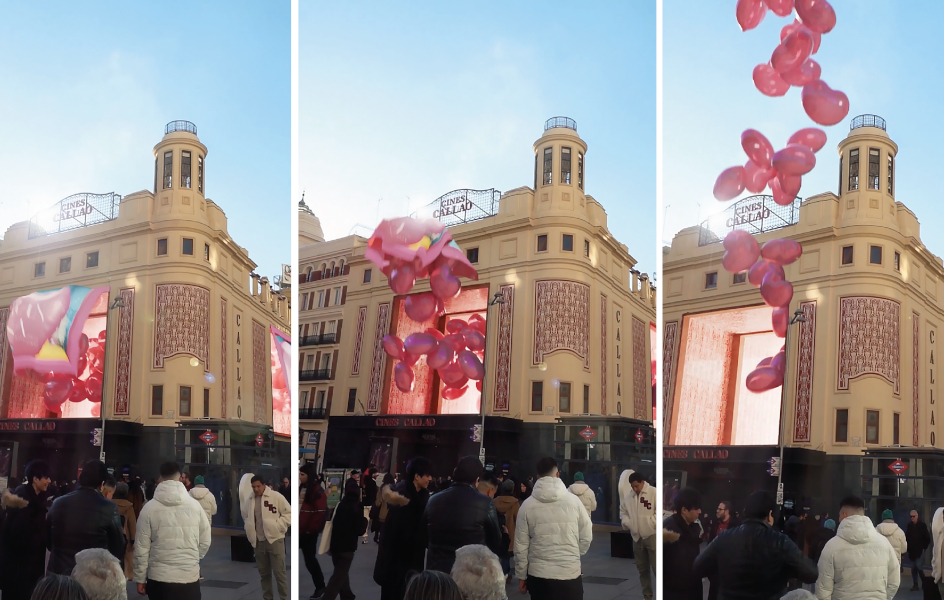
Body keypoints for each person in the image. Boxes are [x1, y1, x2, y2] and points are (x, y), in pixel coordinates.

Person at [693, 490, 817, 599]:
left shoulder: (724, 537)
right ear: (769, 515)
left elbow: (698, 567)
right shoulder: (780, 541)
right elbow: (811, 573)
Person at [514, 457, 592, 600]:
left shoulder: (526, 506)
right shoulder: (574, 502)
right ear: (558, 474)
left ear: (538, 477)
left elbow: (520, 545)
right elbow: (586, 534)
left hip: (538, 576)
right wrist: (574, 553)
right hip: (569, 575)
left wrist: (521, 575)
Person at [133, 462, 210, 600]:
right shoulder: (195, 506)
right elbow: (205, 540)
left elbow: (141, 547)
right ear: (180, 478)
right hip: (189, 578)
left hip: (159, 579)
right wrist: (192, 559)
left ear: (160, 478)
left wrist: (140, 578)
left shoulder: (149, 509)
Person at [424, 456, 503, 574]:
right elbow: (496, 541)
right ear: (477, 480)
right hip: (470, 574)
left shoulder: (433, 500)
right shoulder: (485, 503)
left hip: (438, 573)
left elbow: (424, 537)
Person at [47, 460, 125, 576]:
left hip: (58, 576)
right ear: (102, 484)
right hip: (91, 578)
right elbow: (118, 548)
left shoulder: (58, 503)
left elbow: (49, 542)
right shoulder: (109, 508)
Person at [816, 495, 900, 599]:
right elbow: (894, 581)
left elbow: (823, 589)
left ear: (844, 514)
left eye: (839, 516)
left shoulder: (831, 547)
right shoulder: (884, 543)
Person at [373, 457, 433, 600]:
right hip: (394, 564)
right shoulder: (400, 498)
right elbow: (392, 536)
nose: (430, 479)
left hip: (413, 561)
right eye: (427, 475)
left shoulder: (423, 497)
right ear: (417, 476)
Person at [0, 459, 51, 600]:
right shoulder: (24, 502)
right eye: (46, 477)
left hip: (25, 570)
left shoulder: (34, 499)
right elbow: (17, 538)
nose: (49, 481)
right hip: (19, 572)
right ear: (35, 479)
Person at [243, 475, 292, 600]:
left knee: (280, 574)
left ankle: (284, 598)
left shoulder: (276, 497)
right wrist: (248, 528)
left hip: (275, 540)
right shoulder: (250, 500)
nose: (256, 489)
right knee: (264, 575)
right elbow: (246, 516)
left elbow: (289, 513)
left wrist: (278, 526)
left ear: (264, 485)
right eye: (253, 487)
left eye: (258, 486)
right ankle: (267, 598)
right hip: (258, 542)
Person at [322, 479, 369, 600]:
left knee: (341, 574)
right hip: (347, 548)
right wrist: (364, 521)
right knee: (338, 577)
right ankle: (327, 597)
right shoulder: (357, 507)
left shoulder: (340, 505)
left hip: (335, 546)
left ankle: (348, 596)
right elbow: (359, 530)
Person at [662, 487, 704, 600]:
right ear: (684, 510)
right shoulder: (669, 530)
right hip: (674, 592)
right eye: (696, 508)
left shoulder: (693, 528)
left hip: (691, 588)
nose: (700, 511)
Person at [621, 471, 657, 600]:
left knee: (657, 569)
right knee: (642, 570)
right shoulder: (629, 497)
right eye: (633, 487)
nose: (635, 489)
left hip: (652, 536)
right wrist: (629, 523)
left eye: (637, 486)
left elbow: (659, 513)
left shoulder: (654, 493)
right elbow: (623, 512)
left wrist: (650, 524)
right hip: (636, 538)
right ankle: (647, 596)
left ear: (642, 482)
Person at [299, 463, 328, 599]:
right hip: (299, 531)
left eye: (302, 474)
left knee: (310, 560)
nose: (300, 477)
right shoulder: (301, 489)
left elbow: (320, 513)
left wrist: (310, 530)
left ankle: (320, 586)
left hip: (308, 532)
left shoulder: (317, 490)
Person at [492, 479, 520, 580]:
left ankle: (503, 573)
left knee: (498, 554)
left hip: (496, 531)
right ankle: (505, 574)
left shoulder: (495, 501)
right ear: (512, 489)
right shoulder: (515, 503)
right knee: (506, 555)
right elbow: (518, 518)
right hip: (510, 532)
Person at [110, 483, 136, 580]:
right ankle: (124, 577)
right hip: (125, 537)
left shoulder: (109, 503)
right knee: (125, 559)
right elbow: (132, 524)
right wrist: (133, 540)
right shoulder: (128, 506)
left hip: (111, 535)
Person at [906, 510, 931, 592]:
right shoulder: (909, 526)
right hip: (912, 551)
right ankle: (915, 584)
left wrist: (924, 547)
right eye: (911, 516)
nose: (912, 518)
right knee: (913, 568)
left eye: (914, 516)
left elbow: (927, 538)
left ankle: (924, 583)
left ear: (917, 516)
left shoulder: (922, 526)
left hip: (920, 550)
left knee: (919, 567)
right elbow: (907, 537)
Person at [373, 472, 395, 543]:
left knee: (382, 531)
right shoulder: (395, 488)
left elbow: (378, 502)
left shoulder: (382, 488)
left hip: (383, 513)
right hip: (392, 514)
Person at [363, 467, 379, 545]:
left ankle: (364, 536)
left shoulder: (365, 481)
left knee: (365, 519)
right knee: (368, 519)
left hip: (364, 502)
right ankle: (365, 536)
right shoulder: (372, 482)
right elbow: (373, 494)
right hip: (370, 503)